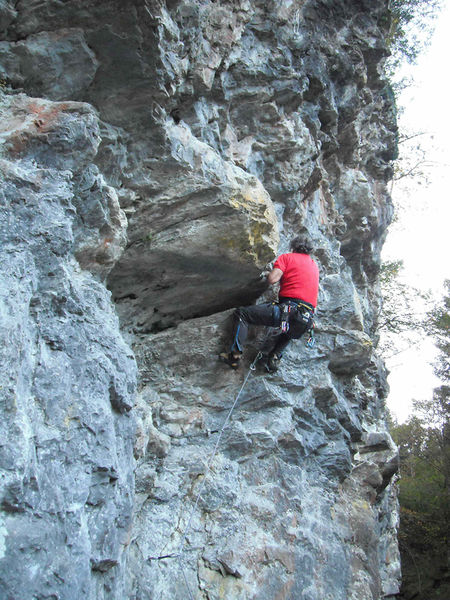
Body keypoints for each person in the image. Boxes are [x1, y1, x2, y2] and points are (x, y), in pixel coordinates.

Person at [220, 236, 319, 372]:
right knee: (291, 327)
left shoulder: (287, 257)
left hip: (287, 311)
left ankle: (234, 356)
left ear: (293, 247)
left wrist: (266, 274)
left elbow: (273, 279)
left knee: (242, 314)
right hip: (305, 319)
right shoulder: (314, 266)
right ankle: (274, 357)